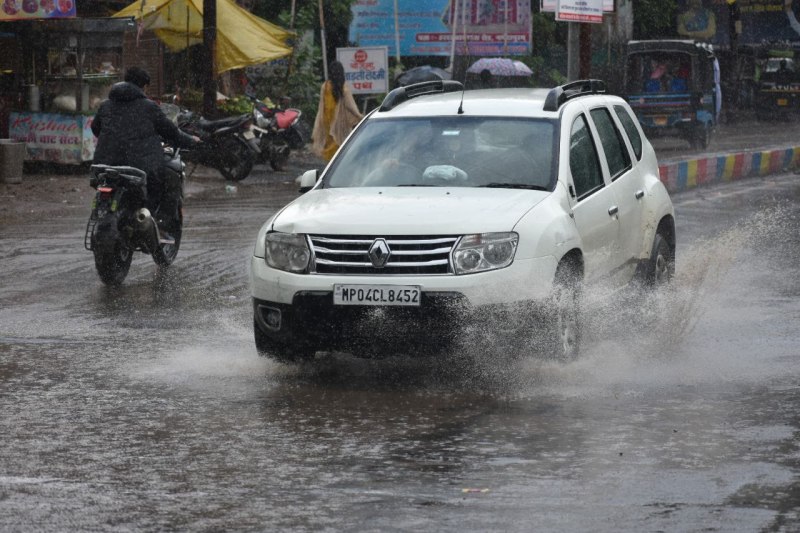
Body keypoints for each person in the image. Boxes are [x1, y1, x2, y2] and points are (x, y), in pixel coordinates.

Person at [91, 67, 199, 240]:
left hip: (105, 164)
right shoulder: (149, 107)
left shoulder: (106, 105)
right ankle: (159, 224)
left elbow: (96, 129)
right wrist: (192, 141)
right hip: (139, 165)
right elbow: (171, 132)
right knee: (167, 180)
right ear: (144, 86)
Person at [311, 61, 364, 162]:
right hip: (340, 122)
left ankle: (330, 166)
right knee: (340, 144)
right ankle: (338, 166)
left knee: (329, 143)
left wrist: (319, 121)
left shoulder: (325, 86)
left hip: (326, 120)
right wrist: (360, 116)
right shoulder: (343, 88)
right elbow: (350, 107)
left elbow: (321, 105)